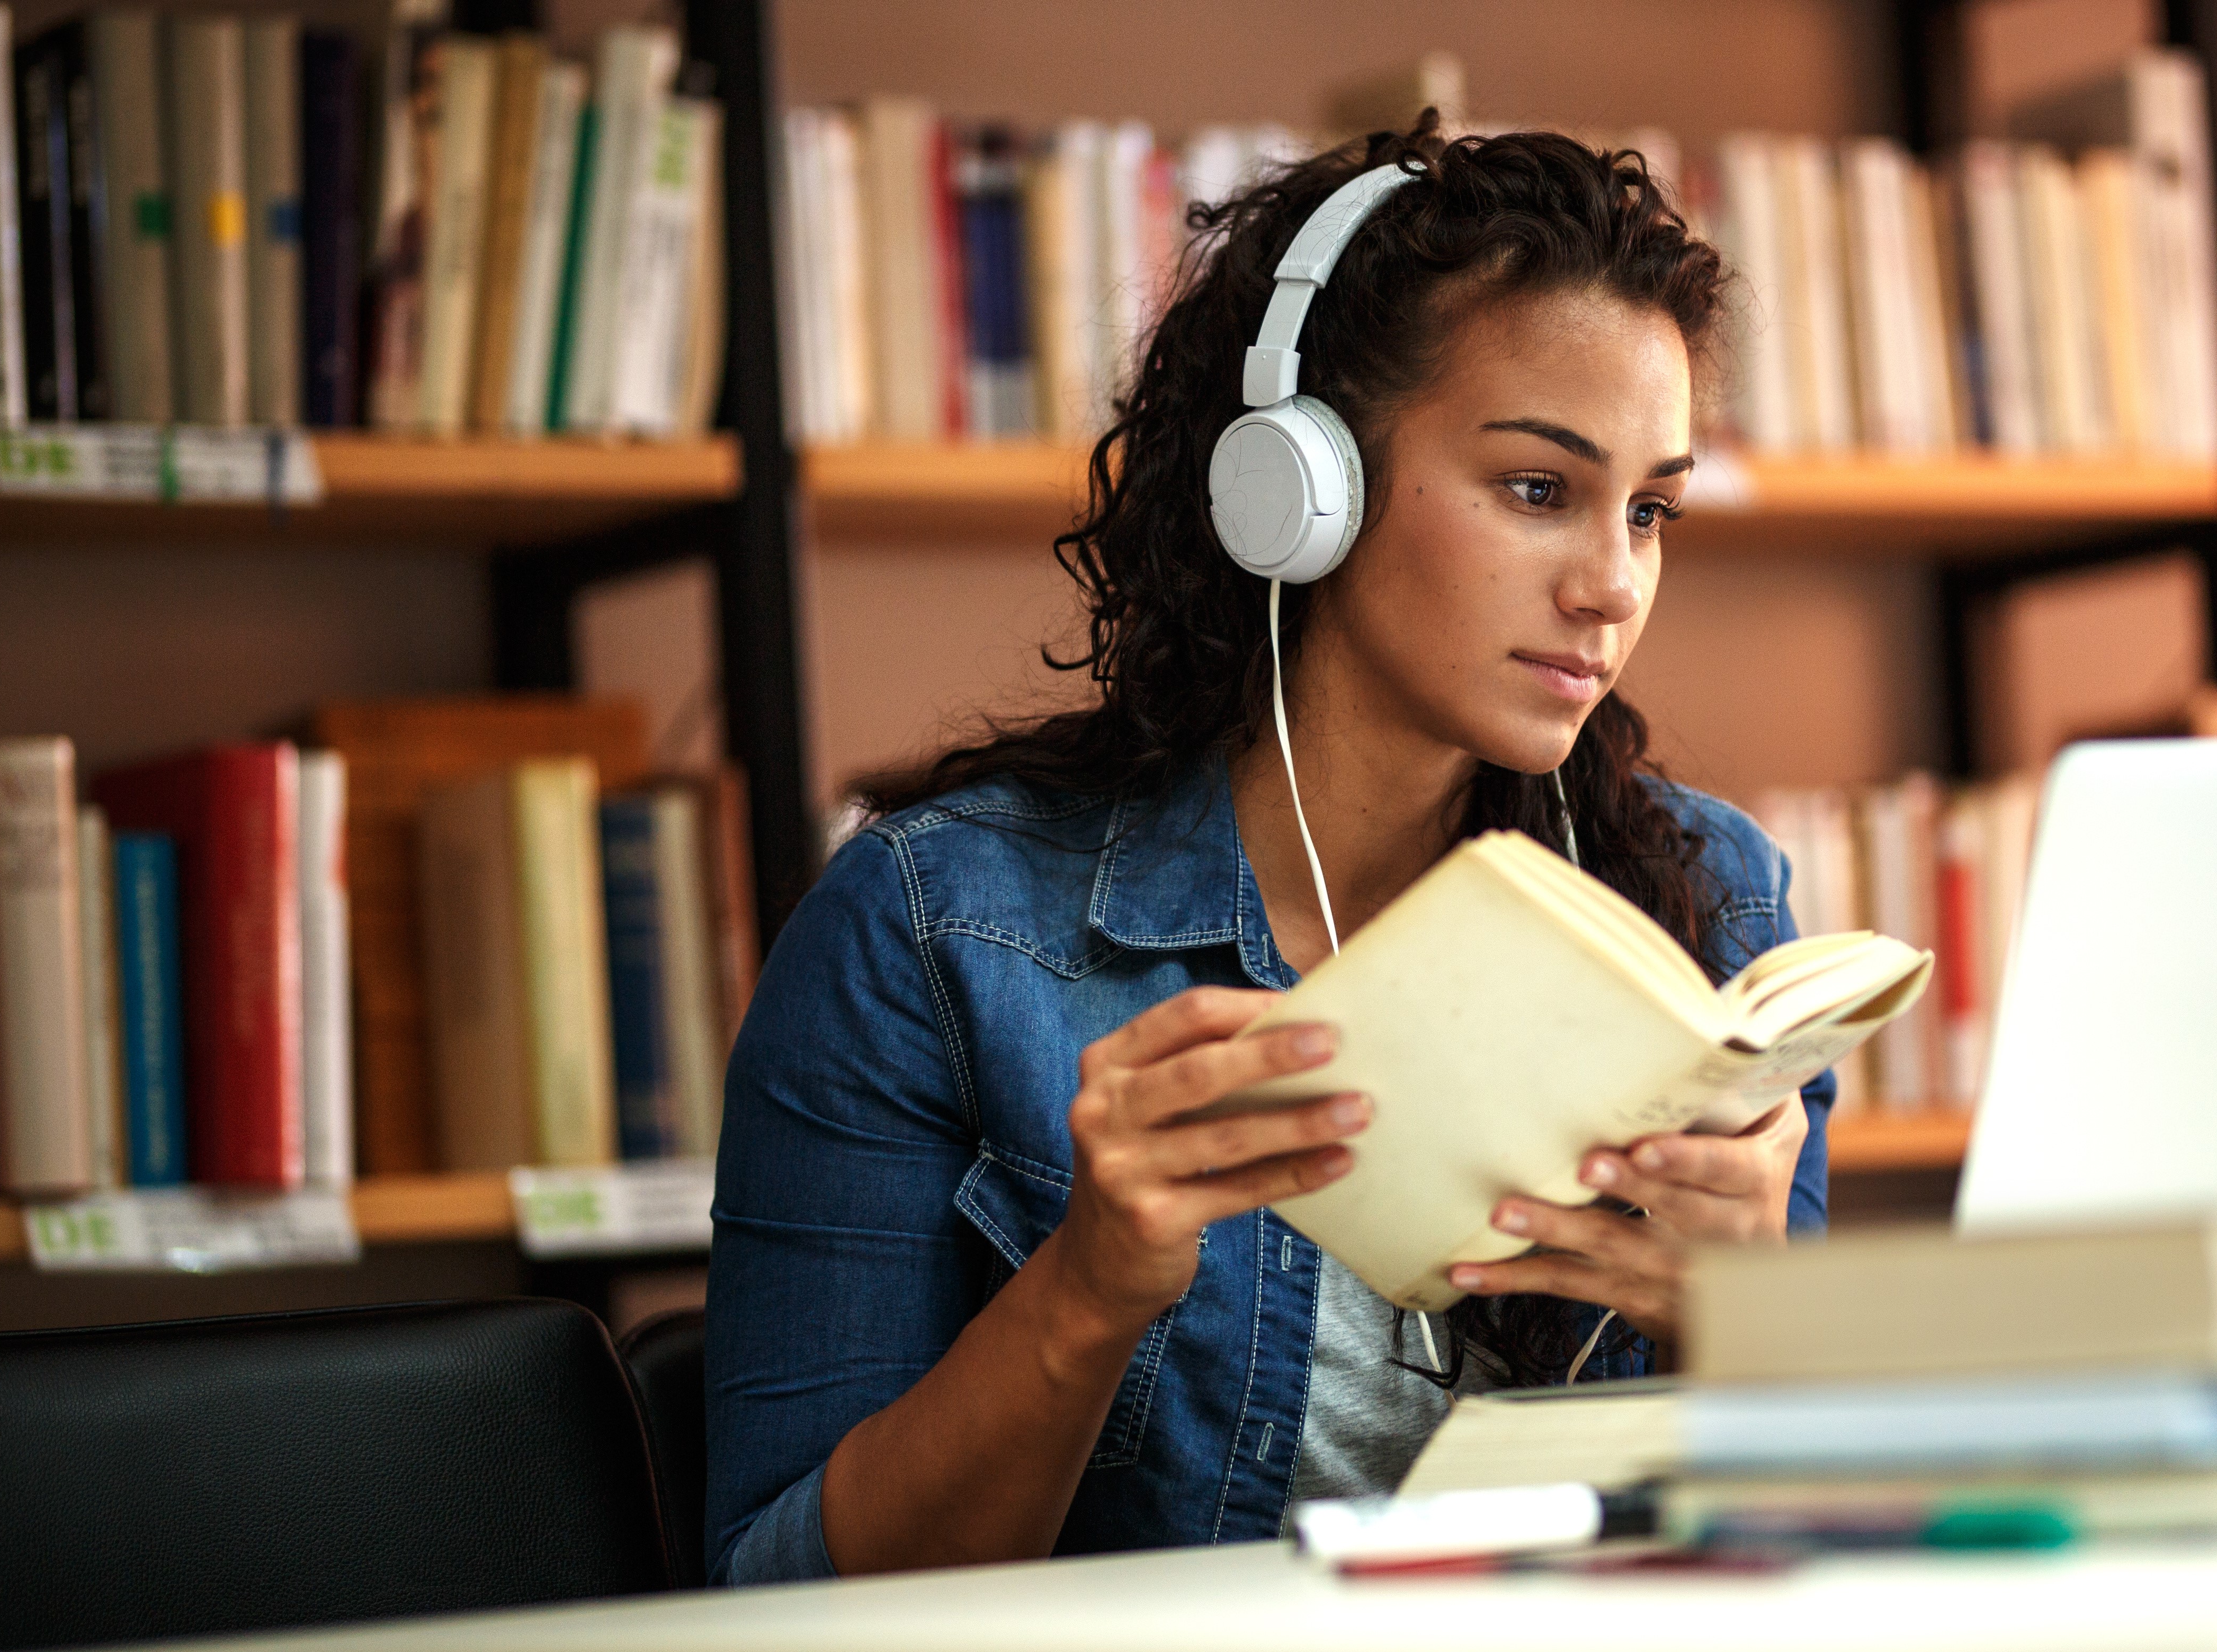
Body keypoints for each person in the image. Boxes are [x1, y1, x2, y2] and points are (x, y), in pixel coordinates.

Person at [705, 119, 1835, 1584]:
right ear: (1300, 488)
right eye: (1537, 491)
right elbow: (781, 1592)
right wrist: (1091, 1288)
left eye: (1650, 509)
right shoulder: (931, 933)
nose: (1612, 585)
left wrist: (1747, 1323)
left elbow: (1798, 1557)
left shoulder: (1709, 907)